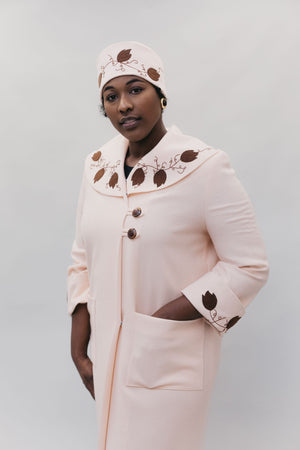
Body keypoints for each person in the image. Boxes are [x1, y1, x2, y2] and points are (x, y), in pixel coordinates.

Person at [67, 41, 269, 450]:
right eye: (111, 96)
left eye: (135, 89)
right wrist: (79, 349)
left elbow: (249, 266)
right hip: (108, 353)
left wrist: (163, 320)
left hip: (170, 356)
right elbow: (81, 257)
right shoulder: (97, 168)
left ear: (160, 95)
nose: (124, 105)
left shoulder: (204, 166)